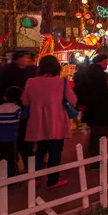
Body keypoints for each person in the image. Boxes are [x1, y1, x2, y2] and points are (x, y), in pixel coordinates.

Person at [21, 55, 77, 188]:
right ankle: (53, 180)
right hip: (56, 121)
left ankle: (34, 177)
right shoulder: (61, 82)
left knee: (40, 149)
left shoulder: (31, 82)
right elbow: (73, 100)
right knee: (55, 151)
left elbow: (24, 101)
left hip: (38, 122)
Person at [0, 50, 33, 170]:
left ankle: (23, 165)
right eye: (25, 58)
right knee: (18, 140)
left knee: (21, 139)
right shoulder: (10, 71)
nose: (27, 60)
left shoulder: (25, 70)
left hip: (18, 108)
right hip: (13, 109)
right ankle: (16, 167)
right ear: (19, 58)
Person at [80, 54, 108, 169]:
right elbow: (100, 92)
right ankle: (96, 161)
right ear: (99, 62)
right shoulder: (99, 75)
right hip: (100, 109)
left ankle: (94, 158)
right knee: (100, 135)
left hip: (92, 109)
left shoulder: (88, 72)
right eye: (106, 61)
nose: (107, 63)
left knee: (95, 135)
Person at [0, 86, 24, 179]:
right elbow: (23, 117)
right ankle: (12, 178)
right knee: (11, 159)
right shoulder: (17, 109)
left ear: (5, 97)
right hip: (11, 139)